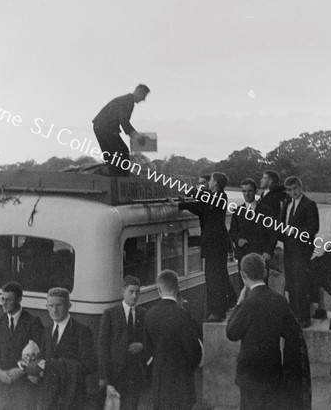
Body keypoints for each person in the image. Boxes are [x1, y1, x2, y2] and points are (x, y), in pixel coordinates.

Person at [226, 254, 311, 410]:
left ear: (243, 275)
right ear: (265, 273)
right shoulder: (279, 300)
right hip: (273, 371)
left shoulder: (247, 303)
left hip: (249, 375)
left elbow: (231, 333)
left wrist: (239, 303)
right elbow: (293, 335)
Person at [24, 287, 97, 410]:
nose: (54, 310)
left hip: (71, 398)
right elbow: (43, 359)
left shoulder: (82, 331)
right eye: (51, 306)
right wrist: (34, 371)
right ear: (46, 307)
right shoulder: (46, 331)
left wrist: (50, 365)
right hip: (48, 398)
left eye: (59, 305)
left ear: (69, 306)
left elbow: (90, 365)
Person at [179, 172, 235, 322]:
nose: (208, 183)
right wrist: (180, 204)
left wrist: (189, 192)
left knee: (213, 277)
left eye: (210, 180)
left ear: (215, 183)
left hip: (215, 244)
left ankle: (217, 312)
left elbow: (202, 201)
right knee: (219, 274)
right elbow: (199, 207)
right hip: (216, 244)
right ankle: (229, 303)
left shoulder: (218, 197)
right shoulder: (215, 198)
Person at [144, 270, 202, 410]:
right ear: (177, 288)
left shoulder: (149, 314)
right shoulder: (182, 314)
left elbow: (148, 349)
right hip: (181, 381)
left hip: (160, 381)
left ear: (159, 289)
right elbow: (194, 351)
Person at [98, 276, 149, 410]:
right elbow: (103, 346)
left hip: (135, 373)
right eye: (131, 292)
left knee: (132, 406)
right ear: (123, 292)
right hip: (115, 374)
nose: (134, 296)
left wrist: (142, 346)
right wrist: (103, 376)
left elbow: (150, 340)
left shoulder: (144, 314)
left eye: (138, 292)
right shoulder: (110, 314)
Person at [0, 281, 44, 410]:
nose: (4, 303)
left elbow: (41, 353)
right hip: (3, 385)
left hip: (24, 385)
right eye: (2, 299)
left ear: (19, 300)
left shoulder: (33, 322)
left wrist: (21, 371)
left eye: (8, 300)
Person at [278, 176, 319, 328]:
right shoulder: (287, 203)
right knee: (291, 282)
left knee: (301, 283)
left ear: (301, 187)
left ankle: (304, 317)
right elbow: (281, 223)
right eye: (289, 190)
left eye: (295, 188)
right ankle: (295, 316)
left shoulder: (309, 204)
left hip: (302, 250)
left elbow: (313, 228)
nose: (293, 192)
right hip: (289, 248)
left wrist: (294, 231)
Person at [92, 85, 150, 176]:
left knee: (123, 152)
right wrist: (136, 135)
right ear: (139, 92)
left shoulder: (128, 101)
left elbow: (124, 122)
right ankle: (116, 177)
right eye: (144, 96)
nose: (144, 99)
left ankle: (122, 176)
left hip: (107, 128)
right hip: (104, 128)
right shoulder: (128, 102)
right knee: (116, 155)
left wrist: (135, 134)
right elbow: (124, 121)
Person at [229, 178, 276, 290]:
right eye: (244, 191)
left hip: (261, 255)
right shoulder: (238, 211)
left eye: (249, 191)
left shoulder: (266, 211)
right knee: (244, 288)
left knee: (261, 287)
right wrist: (237, 240)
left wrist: (268, 251)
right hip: (244, 255)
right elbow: (232, 231)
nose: (247, 194)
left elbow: (273, 233)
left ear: (255, 191)